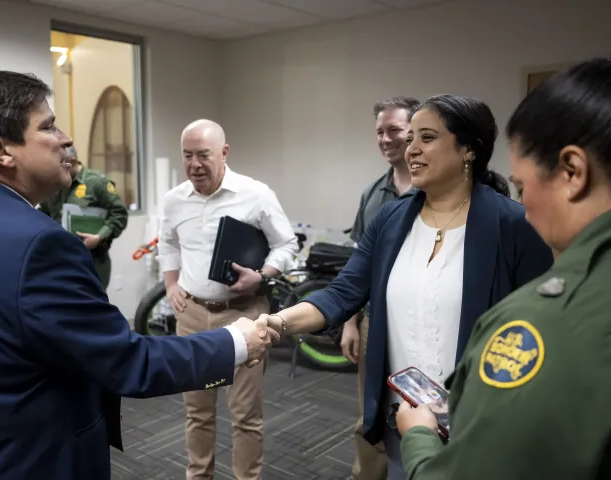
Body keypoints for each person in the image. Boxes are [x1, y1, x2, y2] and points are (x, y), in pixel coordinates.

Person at [0, 71, 278, 480]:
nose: (66, 138)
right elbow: (130, 363)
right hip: (25, 462)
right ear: (0, 150)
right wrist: (238, 341)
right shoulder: (39, 245)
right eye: (48, 126)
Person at [248, 94, 554, 480]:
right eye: (410, 139)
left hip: (480, 421)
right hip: (405, 418)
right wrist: (276, 322)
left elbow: (542, 329)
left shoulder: (512, 225)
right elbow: (343, 292)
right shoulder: (392, 219)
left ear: (468, 150)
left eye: (427, 138)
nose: (412, 149)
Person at [396, 57, 611, 480]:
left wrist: (419, 439)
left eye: (524, 187)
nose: (526, 209)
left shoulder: (539, 323)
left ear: (572, 171)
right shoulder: (395, 215)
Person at [158, 119, 298, 480]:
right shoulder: (174, 199)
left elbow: (287, 244)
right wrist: (171, 285)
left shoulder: (256, 194)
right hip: (192, 316)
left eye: (203, 155)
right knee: (197, 412)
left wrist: (263, 275)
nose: (194, 165)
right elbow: (169, 244)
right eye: (187, 156)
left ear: (224, 153)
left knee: (245, 416)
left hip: (245, 316)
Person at [341, 95, 420, 480]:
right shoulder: (372, 193)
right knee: (369, 410)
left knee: (425, 409)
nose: (385, 139)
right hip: (375, 320)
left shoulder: (433, 190)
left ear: (415, 132)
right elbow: (360, 264)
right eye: (379, 132)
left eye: (394, 130)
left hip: (423, 321)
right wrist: (350, 323)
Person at [38, 145, 128, 289]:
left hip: (92, 261)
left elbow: (120, 214)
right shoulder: (53, 183)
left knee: (92, 307)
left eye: (60, 166)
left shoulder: (96, 183)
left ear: (72, 161)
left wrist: (99, 237)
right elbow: (44, 214)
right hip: (59, 260)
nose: (57, 171)